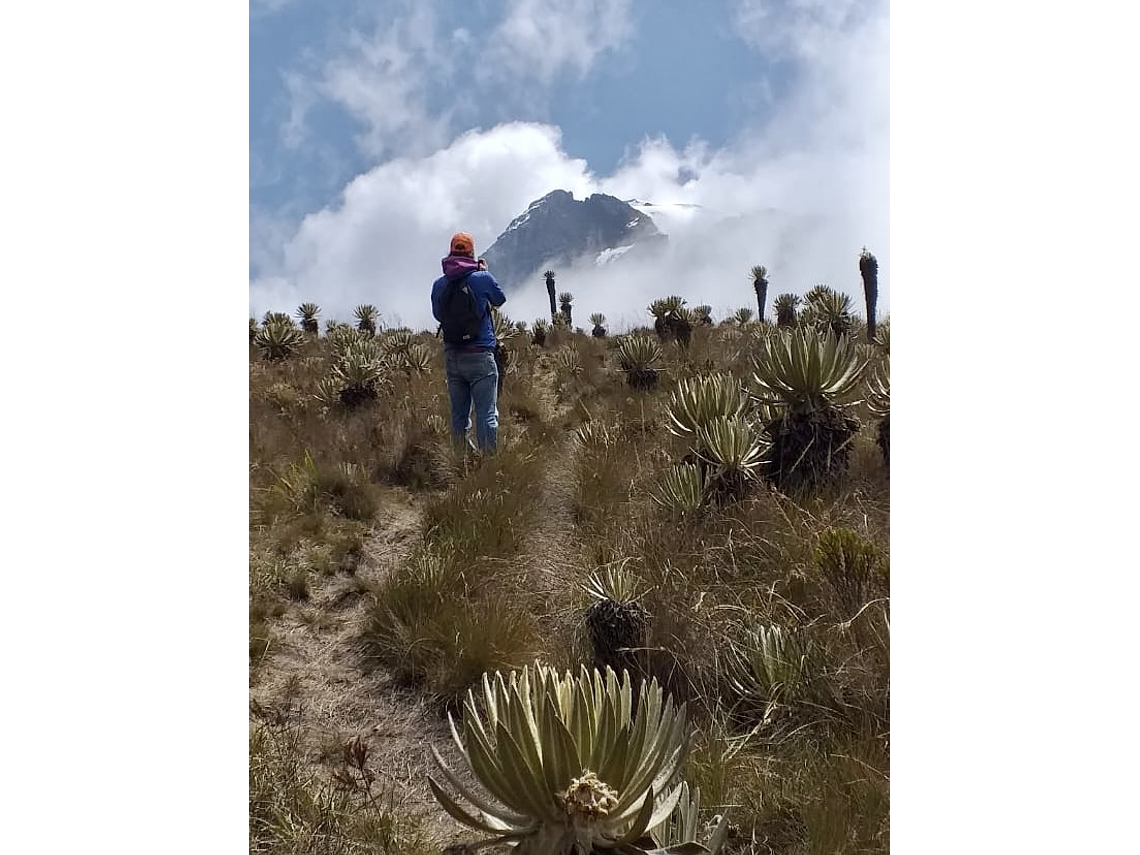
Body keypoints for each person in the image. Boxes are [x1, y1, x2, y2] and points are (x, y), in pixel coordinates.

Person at [431, 232, 506, 452]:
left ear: (451, 252)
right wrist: (484, 273)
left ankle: (461, 462)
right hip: (481, 354)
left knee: (459, 416)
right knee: (486, 413)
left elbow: (438, 315)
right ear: (472, 252)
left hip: (453, 355)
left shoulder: (439, 285)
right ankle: (488, 466)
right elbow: (499, 300)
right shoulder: (481, 278)